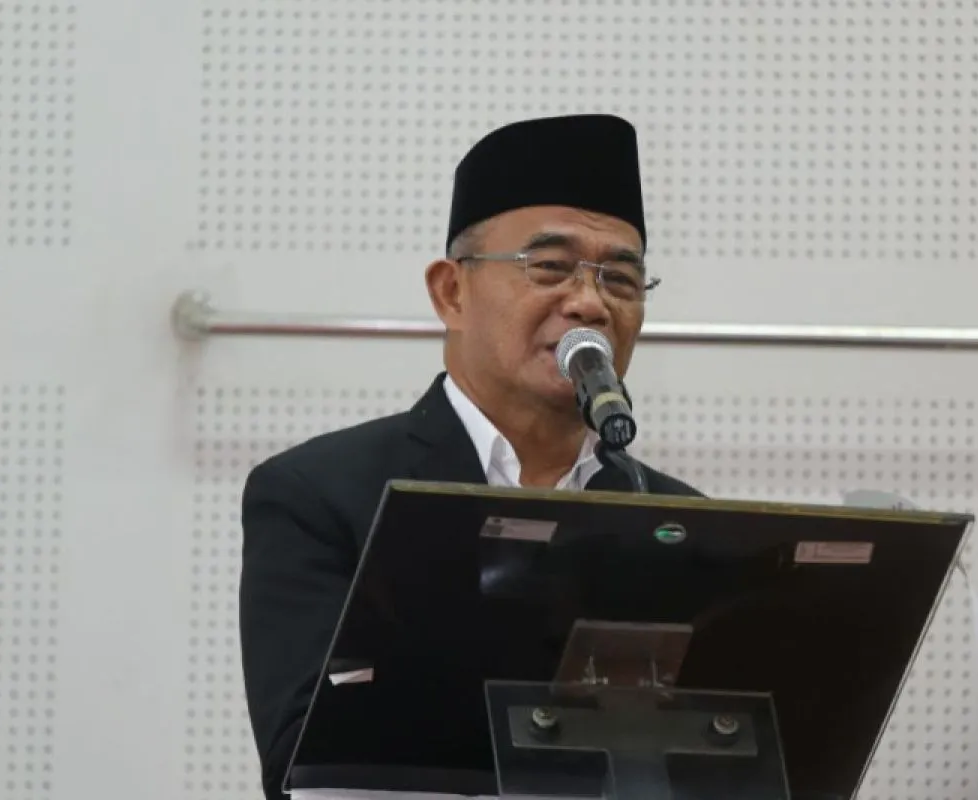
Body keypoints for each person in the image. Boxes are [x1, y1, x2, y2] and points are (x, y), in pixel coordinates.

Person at [237, 114, 703, 799]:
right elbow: (301, 762)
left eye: (621, 280)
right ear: (451, 292)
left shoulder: (678, 520)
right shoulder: (321, 494)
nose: (589, 303)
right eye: (551, 267)